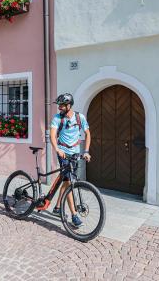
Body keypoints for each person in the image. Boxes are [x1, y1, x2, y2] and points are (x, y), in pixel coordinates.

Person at [50, 93, 91, 227]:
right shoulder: (57, 118)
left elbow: (88, 133)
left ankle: (57, 208)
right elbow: (52, 135)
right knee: (68, 181)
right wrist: (57, 149)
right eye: (59, 105)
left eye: (62, 105)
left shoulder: (80, 117)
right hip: (63, 152)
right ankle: (74, 215)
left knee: (66, 181)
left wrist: (86, 151)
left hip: (75, 153)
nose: (59, 108)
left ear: (69, 105)